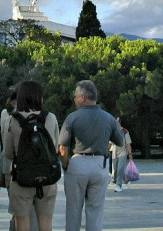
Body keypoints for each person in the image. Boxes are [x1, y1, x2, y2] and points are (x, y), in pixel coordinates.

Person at [58, 80, 124, 231]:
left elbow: (63, 147)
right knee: (95, 211)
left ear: (82, 97)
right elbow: (120, 141)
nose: (74, 99)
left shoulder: (72, 118)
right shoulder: (108, 118)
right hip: (100, 165)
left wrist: (66, 165)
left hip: (78, 163)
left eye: (75, 96)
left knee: (73, 211)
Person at [3, 80, 59, 231]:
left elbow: (7, 153)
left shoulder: (12, 120)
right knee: (46, 222)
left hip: (21, 177)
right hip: (47, 178)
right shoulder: (51, 118)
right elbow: (55, 148)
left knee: (22, 223)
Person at [111, 118, 133, 192]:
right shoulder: (113, 131)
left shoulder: (125, 131)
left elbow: (128, 143)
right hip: (114, 151)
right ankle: (127, 181)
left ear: (119, 123)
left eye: (116, 122)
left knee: (120, 168)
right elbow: (109, 143)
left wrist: (130, 154)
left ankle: (118, 186)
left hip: (123, 151)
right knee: (115, 169)